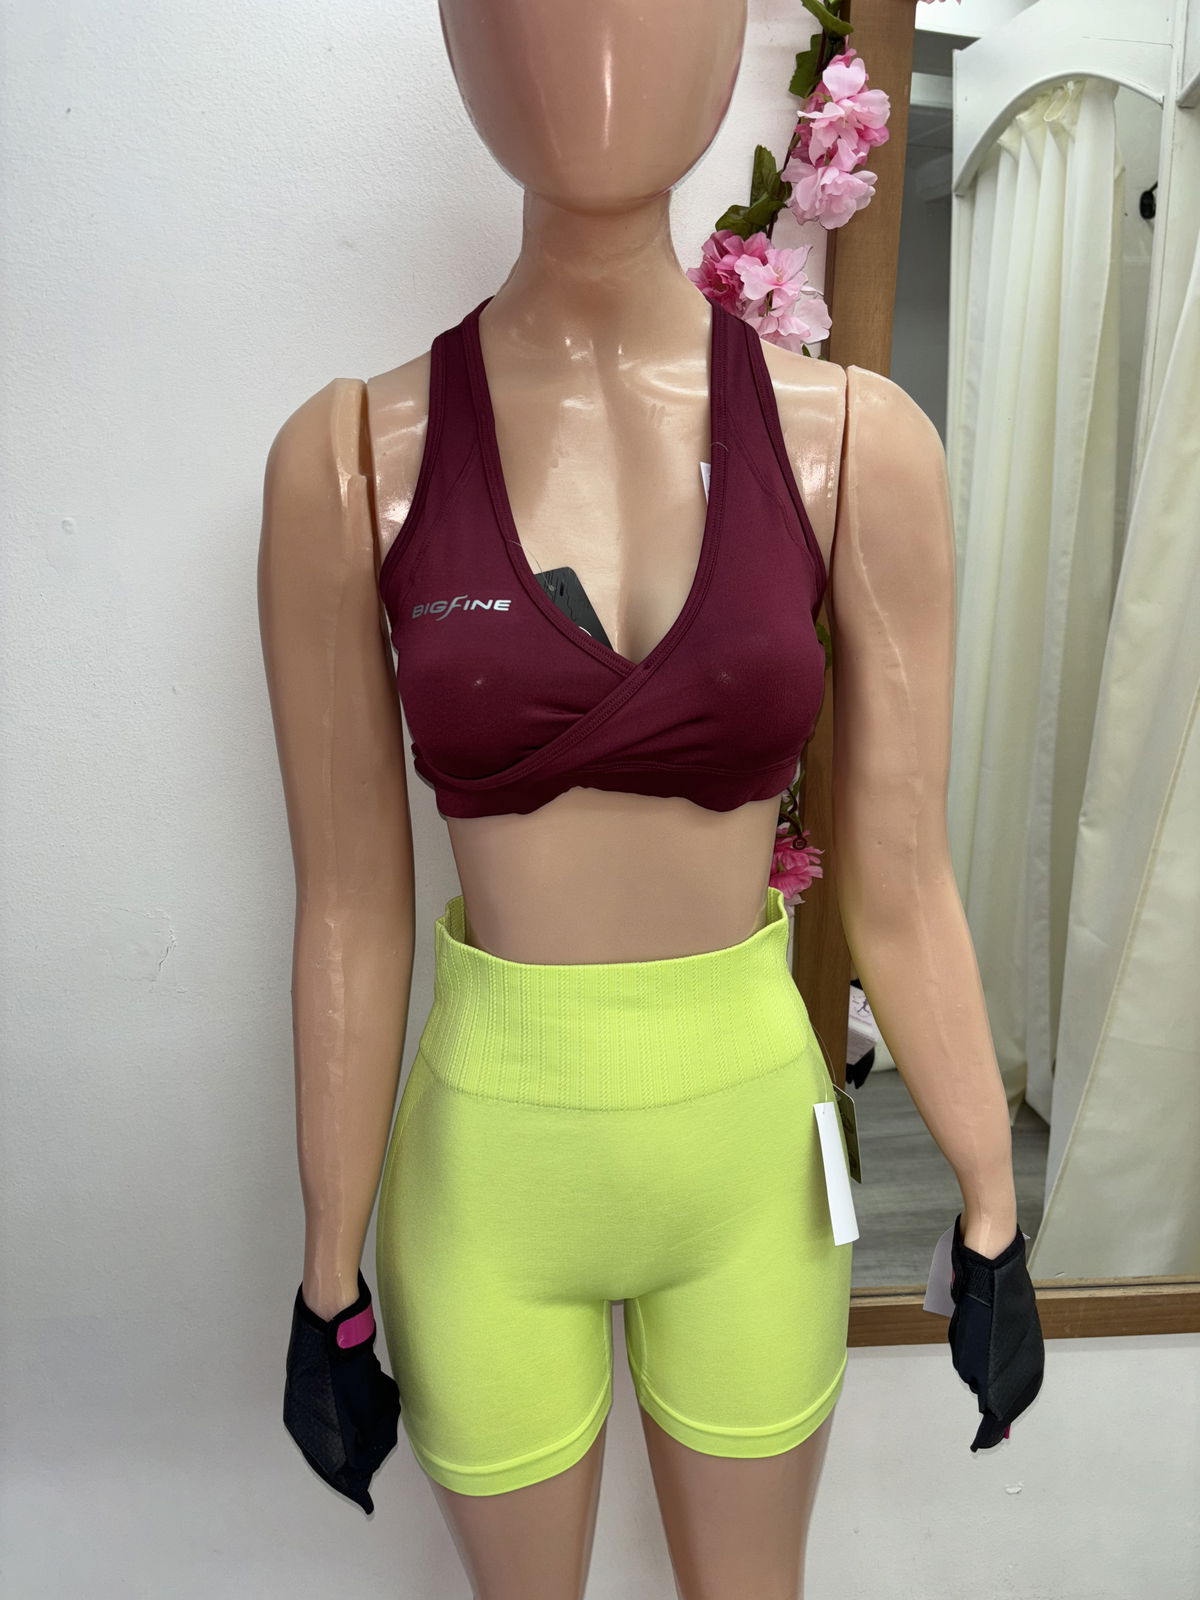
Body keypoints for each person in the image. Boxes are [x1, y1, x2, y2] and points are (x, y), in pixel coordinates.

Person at [260, 3, 1041, 1594]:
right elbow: (347, 906)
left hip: (749, 1164)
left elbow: (902, 885)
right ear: (458, 39)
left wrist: (989, 1199)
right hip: (489, 1181)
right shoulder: (349, 457)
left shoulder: (856, 445)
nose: (593, 35)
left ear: (729, 34)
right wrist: (325, 1267)